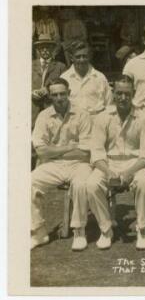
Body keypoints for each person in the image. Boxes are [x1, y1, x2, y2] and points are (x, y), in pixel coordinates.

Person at [85, 75, 145, 251]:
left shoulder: (144, 118)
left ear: (134, 94)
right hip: (108, 164)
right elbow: (97, 153)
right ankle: (106, 229)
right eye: (119, 93)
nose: (123, 98)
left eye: (127, 94)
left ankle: (142, 229)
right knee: (92, 184)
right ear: (113, 93)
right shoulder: (102, 117)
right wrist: (108, 172)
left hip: (136, 165)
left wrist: (128, 173)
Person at [31, 78, 93, 250]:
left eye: (62, 94)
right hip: (53, 165)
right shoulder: (43, 116)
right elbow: (41, 151)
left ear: (69, 93)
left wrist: (54, 150)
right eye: (55, 95)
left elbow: (85, 152)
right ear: (50, 97)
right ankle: (38, 232)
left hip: (79, 163)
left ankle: (79, 231)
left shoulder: (83, 115)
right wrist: (68, 147)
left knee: (81, 183)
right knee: (29, 183)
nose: (59, 98)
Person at [60, 41, 112, 117]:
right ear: (71, 58)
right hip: (74, 122)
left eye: (84, 56)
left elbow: (109, 104)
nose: (82, 60)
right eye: (78, 57)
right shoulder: (64, 78)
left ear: (89, 57)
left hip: (97, 121)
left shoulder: (100, 77)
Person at [32, 33, 66, 127]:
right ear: (38, 50)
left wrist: (48, 90)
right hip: (33, 108)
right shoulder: (30, 65)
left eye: (48, 47)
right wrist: (31, 93)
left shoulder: (60, 67)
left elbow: (64, 86)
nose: (45, 50)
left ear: (53, 49)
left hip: (51, 106)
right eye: (42, 47)